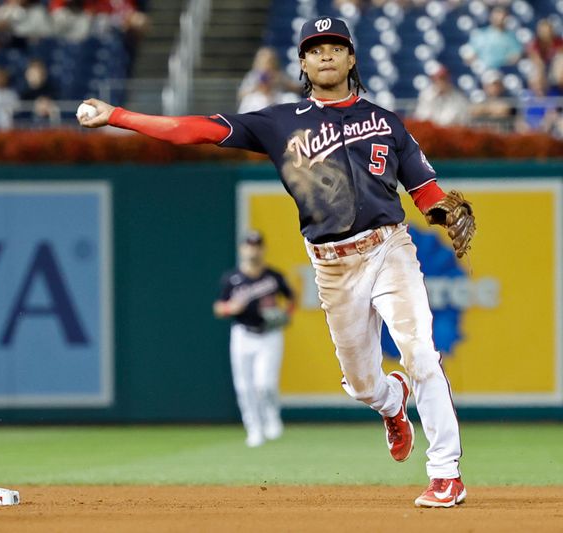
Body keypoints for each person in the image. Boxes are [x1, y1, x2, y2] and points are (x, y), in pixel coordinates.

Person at [79, 16, 475, 508]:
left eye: (335, 46)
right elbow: (191, 130)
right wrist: (119, 115)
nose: (326, 54)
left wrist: (441, 210)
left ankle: (445, 473)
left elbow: (424, 189)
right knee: (362, 384)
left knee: (420, 354)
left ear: (352, 58)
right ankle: (391, 402)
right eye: (315, 48)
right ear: (304, 63)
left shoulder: (386, 121)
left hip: (389, 247)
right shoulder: (277, 122)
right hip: (332, 265)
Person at [213, 231, 294, 448]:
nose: (253, 250)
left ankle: (271, 416)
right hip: (242, 334)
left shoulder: (273, 277)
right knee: (244, 387)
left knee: (264, 384)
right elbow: (218, 307)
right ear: (242, 249)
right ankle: (254, 429)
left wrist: (286, 314)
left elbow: (291, 297)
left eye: (257, 245)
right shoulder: (232, 279)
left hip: (269, 334)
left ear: (263, 249)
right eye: (249, 245)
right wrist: (231, 307)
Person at [463, 6, 521, 70]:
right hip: (482, 70)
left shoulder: (511, 37)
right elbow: (470, 56)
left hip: (502, 71)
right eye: (495, 15)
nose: (497, 18)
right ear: (490, 17)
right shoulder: (479, 34)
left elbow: (515, 57)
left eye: (500, 15)